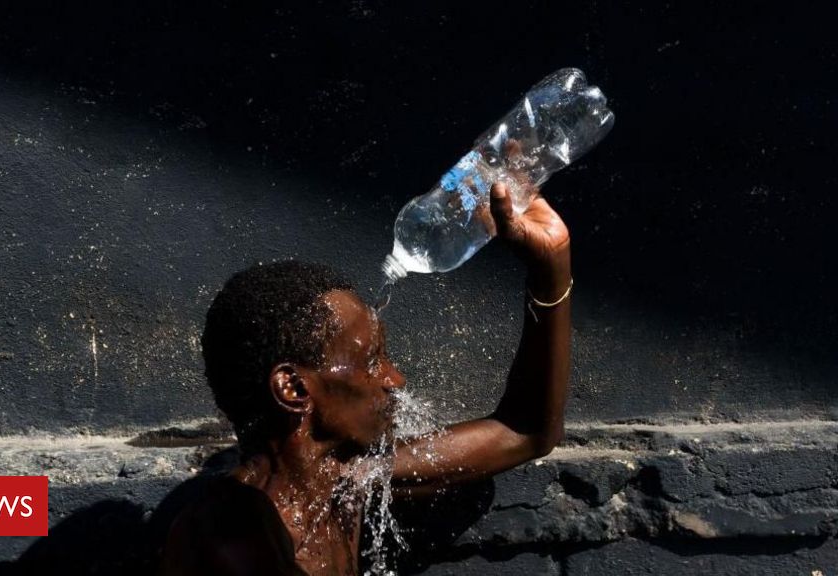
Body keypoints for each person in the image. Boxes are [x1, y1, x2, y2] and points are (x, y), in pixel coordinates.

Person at [156, 181, 572, 575]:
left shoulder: (348, 480)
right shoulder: (225, 534)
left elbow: (525, 431)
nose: (395, 379)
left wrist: (551, 263)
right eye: (372, 361)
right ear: (294, 388)